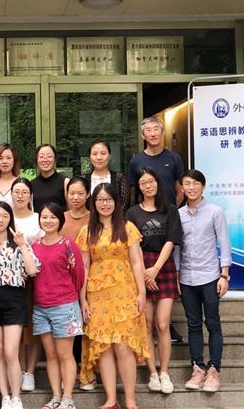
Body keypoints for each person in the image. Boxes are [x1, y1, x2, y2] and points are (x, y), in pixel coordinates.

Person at [77, 183, 149, 409]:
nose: (104, 204)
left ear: (116, 202)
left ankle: (130, 399)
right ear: (94, 203)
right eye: (100, 200)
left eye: (108, 199)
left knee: (123, 346)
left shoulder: (128, 228)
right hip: (97, 294)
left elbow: (136, 262)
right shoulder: (86, 231)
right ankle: (111, 399)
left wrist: (141, 292)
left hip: (125, 291)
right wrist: (82, 299)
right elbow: (84, 268)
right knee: (104, 347)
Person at [126, 117, 186, 345]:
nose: (152, 134)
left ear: (162, 132)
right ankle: (159, 327)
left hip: (168, 222)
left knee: (172, 266)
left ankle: (167, 324)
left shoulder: (174, 158)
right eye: (148, 130)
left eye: (156, 129)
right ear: (142, 136)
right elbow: (133, 193)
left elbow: (179, 190)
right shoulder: (136, 161)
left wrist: (169, 212)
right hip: (144, 225)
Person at [125, 169, 183, 395]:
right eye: (143, 183)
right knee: (147, 324)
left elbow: (171, 241)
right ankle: (152, 372)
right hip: (141, 266)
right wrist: (144, 274)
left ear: (158, 183)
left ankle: (165, 372)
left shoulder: (170, 209)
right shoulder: (132, 212)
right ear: (139, 187)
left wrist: (155, 269)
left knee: (162, 323)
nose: (148, 185)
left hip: (163, 265)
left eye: (151, 181)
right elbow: (133, 245)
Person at [175, 169, 231, 394]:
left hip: (209, 276)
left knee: (213, 323)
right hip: (186, 277)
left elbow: (224, 243)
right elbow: (176, 247)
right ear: (182, 188)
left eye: (195, 183)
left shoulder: (215, 212)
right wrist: (177, 274)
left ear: (203, 186)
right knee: (193, 324)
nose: (191, 188)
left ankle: (214, 369)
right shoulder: (178, 214)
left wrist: (224, 275)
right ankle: (197, 368)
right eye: (187, 184)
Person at [0, 201, 40, 409]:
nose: (0, 220)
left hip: (14, 298)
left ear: (10, 219)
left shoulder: (19, 245)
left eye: (5, 216)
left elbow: (32, 270)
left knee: (11, 351)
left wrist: (22, 244)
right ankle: (5, 396)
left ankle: (16, 397)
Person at [32, 202, 85, 409]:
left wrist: (71, 296)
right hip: (40, 307)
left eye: (52, 217)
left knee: (65, 354)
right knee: (51, 355)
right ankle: (56, 397)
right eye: (44, 217)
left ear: (60, 220)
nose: (48, 221)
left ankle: (68, 399)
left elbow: (78, 275)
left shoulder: (68, 244)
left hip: (65, 306)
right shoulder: (35, 245)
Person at [9, 177, 42, 393]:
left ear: (30, 195)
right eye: (16, 192)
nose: (20, 196)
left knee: (33, 325)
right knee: (17, 327)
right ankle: (19, 370)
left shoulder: (38, 218)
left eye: (24, 192)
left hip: (35, 277)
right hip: (12, 279)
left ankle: (30, 371)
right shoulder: (5, 216)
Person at [61, 176, 92, 389]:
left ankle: (87, 372)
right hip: (65, 281)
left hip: (91, 278)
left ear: (88, 194)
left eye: (80, 193)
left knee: (88, 325)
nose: (75, 197)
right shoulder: (60, 218)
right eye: (72, 193)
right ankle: (71, 373)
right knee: (70, 327)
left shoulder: (95, 218)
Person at [82, 139, 132, 213]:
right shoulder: (83, 180)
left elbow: (124, 204)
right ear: (89, 157)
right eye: (94, 154)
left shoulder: (120, 178)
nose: (99, 158)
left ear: (109, 156)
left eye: (103, 153)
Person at [30, 144, 68, 214]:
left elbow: (70, 210)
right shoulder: (31, 185)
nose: (45, 160)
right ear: (36, 160)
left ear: (55, 159)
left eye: (49, 156)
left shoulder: (65, 182)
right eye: (41, 157)